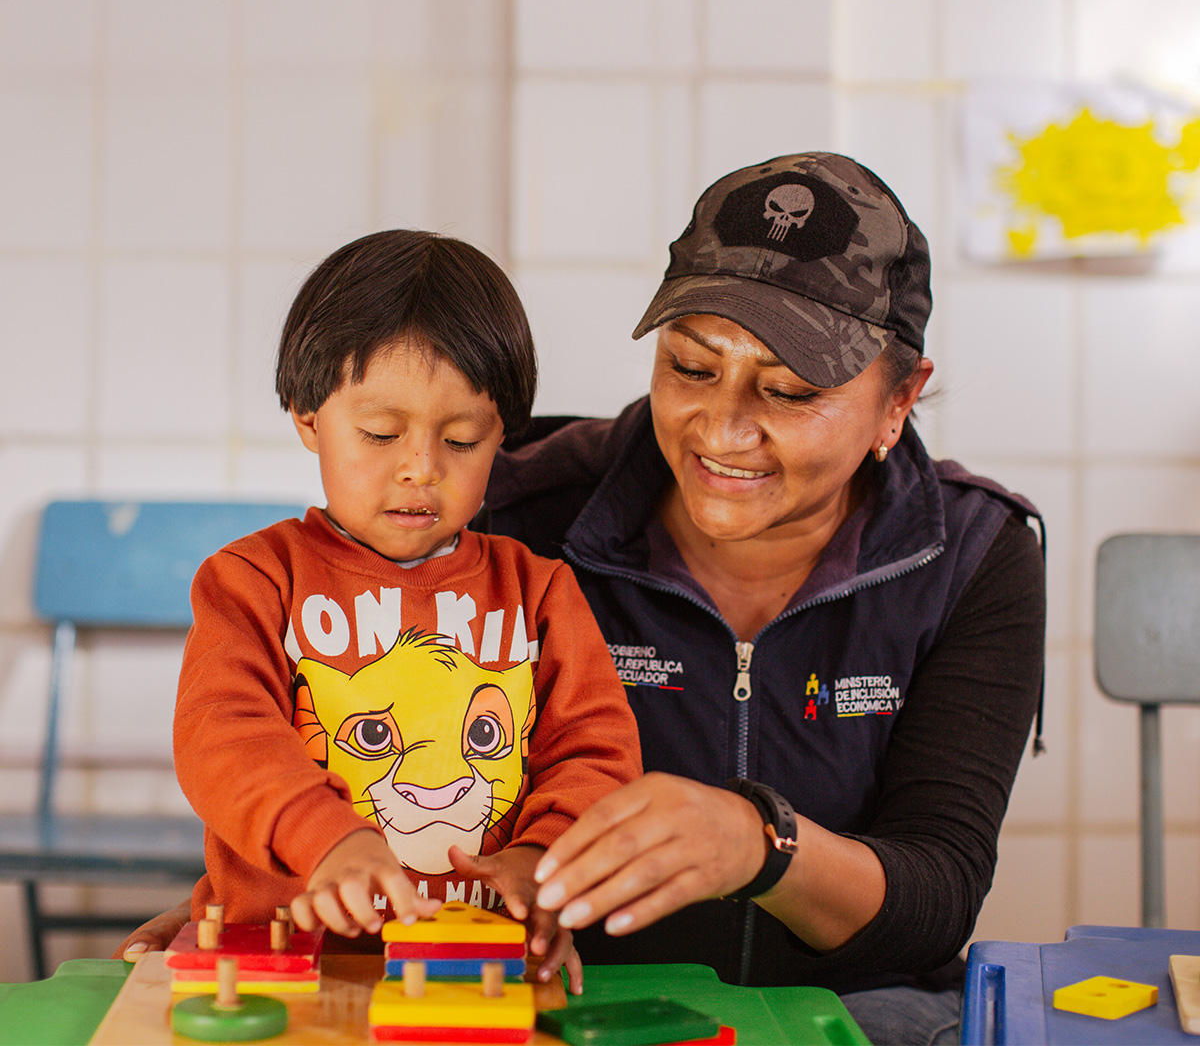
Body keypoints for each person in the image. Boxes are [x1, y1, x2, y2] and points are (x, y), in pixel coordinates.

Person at [120, 155, 1044, 1045]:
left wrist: (762, 846)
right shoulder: (522, 507)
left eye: (790, 392)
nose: (723, 430)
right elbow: (246, 725)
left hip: (852, 1008)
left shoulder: (968, 552)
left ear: (899, 401)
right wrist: (262, 885)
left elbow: (936, 892)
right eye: (690, 367)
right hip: (570, 1000)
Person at [168, 229, 641, 990]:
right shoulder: (253, 578)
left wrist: (537, 860)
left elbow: (597, 753)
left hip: (476, 973)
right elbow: (221, 736)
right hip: (282, 968)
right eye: (381, 433)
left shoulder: (541, 591)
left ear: (503, 436)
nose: (421, 467)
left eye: (462, 439)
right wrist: (326, 842)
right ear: (307, 417)